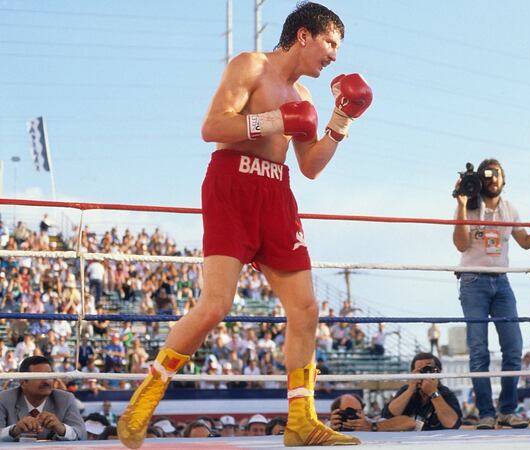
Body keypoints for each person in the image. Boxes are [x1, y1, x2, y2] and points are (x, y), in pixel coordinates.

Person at [117, 3, 372, 448]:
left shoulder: (308, 99)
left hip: (276, 192)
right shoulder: (250, 65)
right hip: (231, 182)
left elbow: (311, 167)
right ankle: (145, 400)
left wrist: (341, 121)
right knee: (215, 305)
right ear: (305, 36)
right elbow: (212, 126)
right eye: (330, 42)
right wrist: (276, 119)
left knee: (307, 309)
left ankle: (300, 421)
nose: (334, 55)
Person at [452, 158, 530, 429]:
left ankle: (507, 411)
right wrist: (462, 204)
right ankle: (486, 413)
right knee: (479, 350)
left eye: (496, 174)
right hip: (472, 280)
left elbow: (524, 241)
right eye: (486, 174)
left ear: (504, 178)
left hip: (501, 281)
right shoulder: (469, 205)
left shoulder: (509, 208)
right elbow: (460, 244)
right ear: (478, 177)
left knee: (513, 347)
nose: (492, 178)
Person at [0, 356, 86, 441]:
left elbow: (82, 435)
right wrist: (14, 430)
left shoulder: (66, 399)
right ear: (23, 382)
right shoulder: (4, 399)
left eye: (49, 375)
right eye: (40, 376)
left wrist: (62, 429)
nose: (47, 381)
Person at [382, 353, 462, 431]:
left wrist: (434, 393)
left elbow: (452, 424)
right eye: (420, 370)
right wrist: (410, 390)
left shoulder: (446, 393)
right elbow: (388, 415)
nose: (425, 374)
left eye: (428, 369)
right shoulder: (406, 390)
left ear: (438, 372)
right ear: (413, 373)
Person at [330, 394, 414, 432]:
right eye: (348, 412)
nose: (352, 415)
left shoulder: (369, 423)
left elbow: (409, 422)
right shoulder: (328, 427)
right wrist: (330, 431)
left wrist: (371, 427)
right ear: (336, 413)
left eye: (358, 411)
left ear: (363, 412)